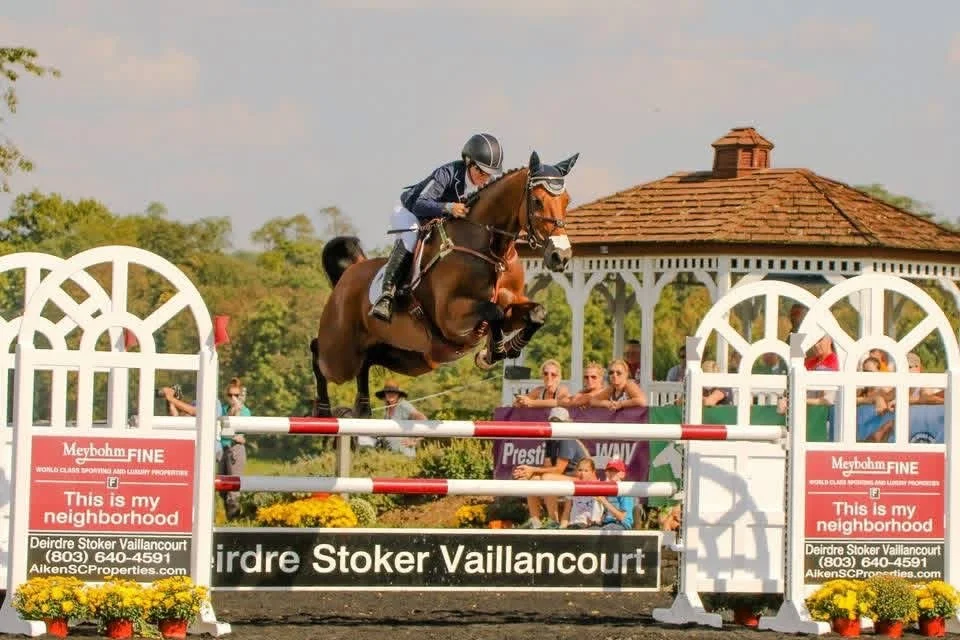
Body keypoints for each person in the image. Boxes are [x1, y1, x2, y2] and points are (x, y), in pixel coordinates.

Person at [369, 133, 505, 323]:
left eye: (489, 174)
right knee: (412, 236)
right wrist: (448, 207)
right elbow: (419, 203)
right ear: (468, 162)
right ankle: (386, 295)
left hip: (437, 220)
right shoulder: (447, 173)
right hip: (410, 212)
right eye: (481, 172)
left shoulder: (485, 186)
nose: (484, 178)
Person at [513, 406, 585, 529]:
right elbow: (548, 467)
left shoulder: (566, 438)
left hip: (581, 479)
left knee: (547, 478)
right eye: (553, 421)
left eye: (558, 422)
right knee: (533, 479)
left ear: (567, 422)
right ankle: (535, 521)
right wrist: (530, 473)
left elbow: (558, 469)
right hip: (565, 478)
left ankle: (553, 520)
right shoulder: (551, 439)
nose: (555, 425)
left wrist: (533, 470)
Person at [376, 379, 426, 456]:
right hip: (391, 455)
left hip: (404, 455)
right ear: (385, 394)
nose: (391, 394)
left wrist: (414, 440)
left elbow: (422, 419)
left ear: (398, 394)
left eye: (394, 392)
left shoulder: (403, 405)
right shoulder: (387, 408)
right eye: (388, 392)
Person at [592, 458, 634, 530]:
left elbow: (622, 517)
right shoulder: (606, 489)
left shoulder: (625, 490)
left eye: (616, 471)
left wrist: (604, 501)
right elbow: (605, 514)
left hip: (621, 524)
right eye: (610, 470)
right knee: (588, 531)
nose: (612, 473)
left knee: (603, 531)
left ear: (622, 474)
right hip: (606, 524)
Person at [561, 457, 602, 529]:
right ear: (576, 471)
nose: (582, 473)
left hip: (593, 526)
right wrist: (562, 527)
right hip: (575, 524)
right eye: (580, 470)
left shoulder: (599, 487)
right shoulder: (572, 487)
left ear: (593, 472)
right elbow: (566, 511)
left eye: (586, 471)